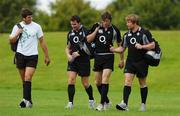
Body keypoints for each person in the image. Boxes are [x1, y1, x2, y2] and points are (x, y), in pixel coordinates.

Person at [110, 14, 155, 111]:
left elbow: (152, 45)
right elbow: (122, 48)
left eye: (128, 22)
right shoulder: (127, 35)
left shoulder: (144, 33)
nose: (127, 24)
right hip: (130, 61)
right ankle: (124, 104)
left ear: (134, 23)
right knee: (127, 81)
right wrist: (113, 49)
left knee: (142, 83)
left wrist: (142, 47)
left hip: (142, 62)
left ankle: (143, 104)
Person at [9, 8, 50, 108]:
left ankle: (24, 100)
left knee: (28, 77)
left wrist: (46, 55)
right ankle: (29, 101)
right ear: (24, 18)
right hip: (20, 55)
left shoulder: (37, 27)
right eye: (29, 17)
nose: (31, 18)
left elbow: (42, 41)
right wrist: (18, 33)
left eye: (31, 16)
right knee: (24, 80)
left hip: (32, 55)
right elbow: (11, 40)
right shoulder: (17, 26)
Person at [87, 11, 124, 111]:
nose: (104, 23)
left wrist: (121, 60)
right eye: (103, 21)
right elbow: (88, 40)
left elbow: (120, 46)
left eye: (106, 21)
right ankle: (107, 100)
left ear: (110, 20)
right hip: (98, 57)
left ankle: (101, 104)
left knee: (105, 79)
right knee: (97, 82)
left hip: (109, 57)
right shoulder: (96, 26)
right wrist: (96, 30)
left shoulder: (115, 30)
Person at [65, 15, 95, 109]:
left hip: (84, 61)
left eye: (74, 24)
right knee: (71, 80)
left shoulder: (86, 32)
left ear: (79, 23)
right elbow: (67, 47)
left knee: (85, 83)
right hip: (73, 61)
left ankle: (91, 99)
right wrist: (69, 56)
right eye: (71, 24)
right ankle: (70, 103)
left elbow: (91, 47)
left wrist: (79, 52)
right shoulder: (70, 33)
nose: (73, 26)